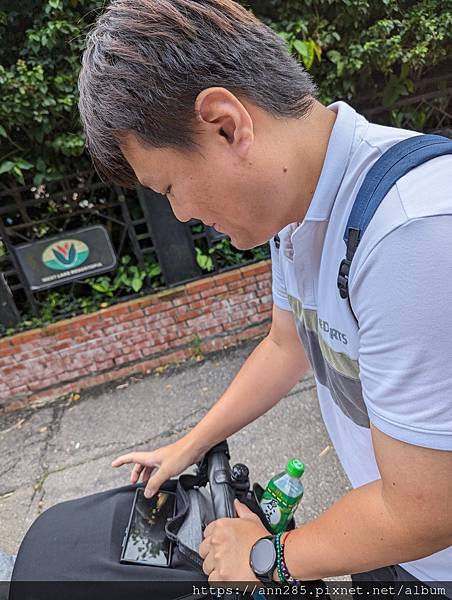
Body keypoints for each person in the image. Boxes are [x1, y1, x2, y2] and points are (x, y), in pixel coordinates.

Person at [77, 0, 452, 595]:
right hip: (382, 533)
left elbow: (427, 510)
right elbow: (285, 345)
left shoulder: (410, 237)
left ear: (227, 124)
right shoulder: (297, 216)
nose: (182, 216)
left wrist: (264, 557)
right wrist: (190, 445)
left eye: (169, 187)